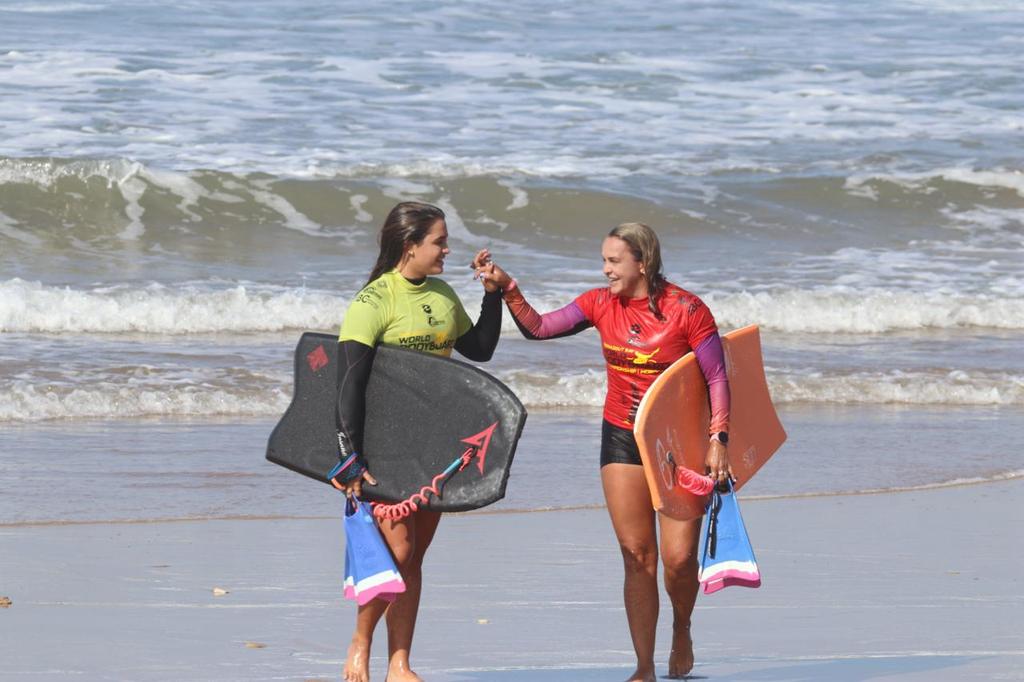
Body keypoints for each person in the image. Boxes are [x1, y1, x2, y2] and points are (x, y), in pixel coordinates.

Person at [479, 222, 731, 682]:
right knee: (637, 554)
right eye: (604, 260)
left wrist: (719, 439)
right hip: (621, 435)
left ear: (643, 261)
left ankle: (682, 627)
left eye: (614, 261)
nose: (606, 269)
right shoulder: (599, 303)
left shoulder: (688, 310)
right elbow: (538, 327)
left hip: (679, 442)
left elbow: (717, 377)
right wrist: (507, 287)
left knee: (677, 561)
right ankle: (643, 667)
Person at [329, 201, 502, 682]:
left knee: (415, 554)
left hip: (436, 441)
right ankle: (360, 643)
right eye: (439, 241)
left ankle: (400, 662)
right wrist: (349, 458)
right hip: (385, 444)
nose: (447, 249)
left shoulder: (444, 295)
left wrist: (493, 296)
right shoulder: (372, 301)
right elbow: (349, 385)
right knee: (396, 551)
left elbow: (480, 350)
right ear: (411, 246)